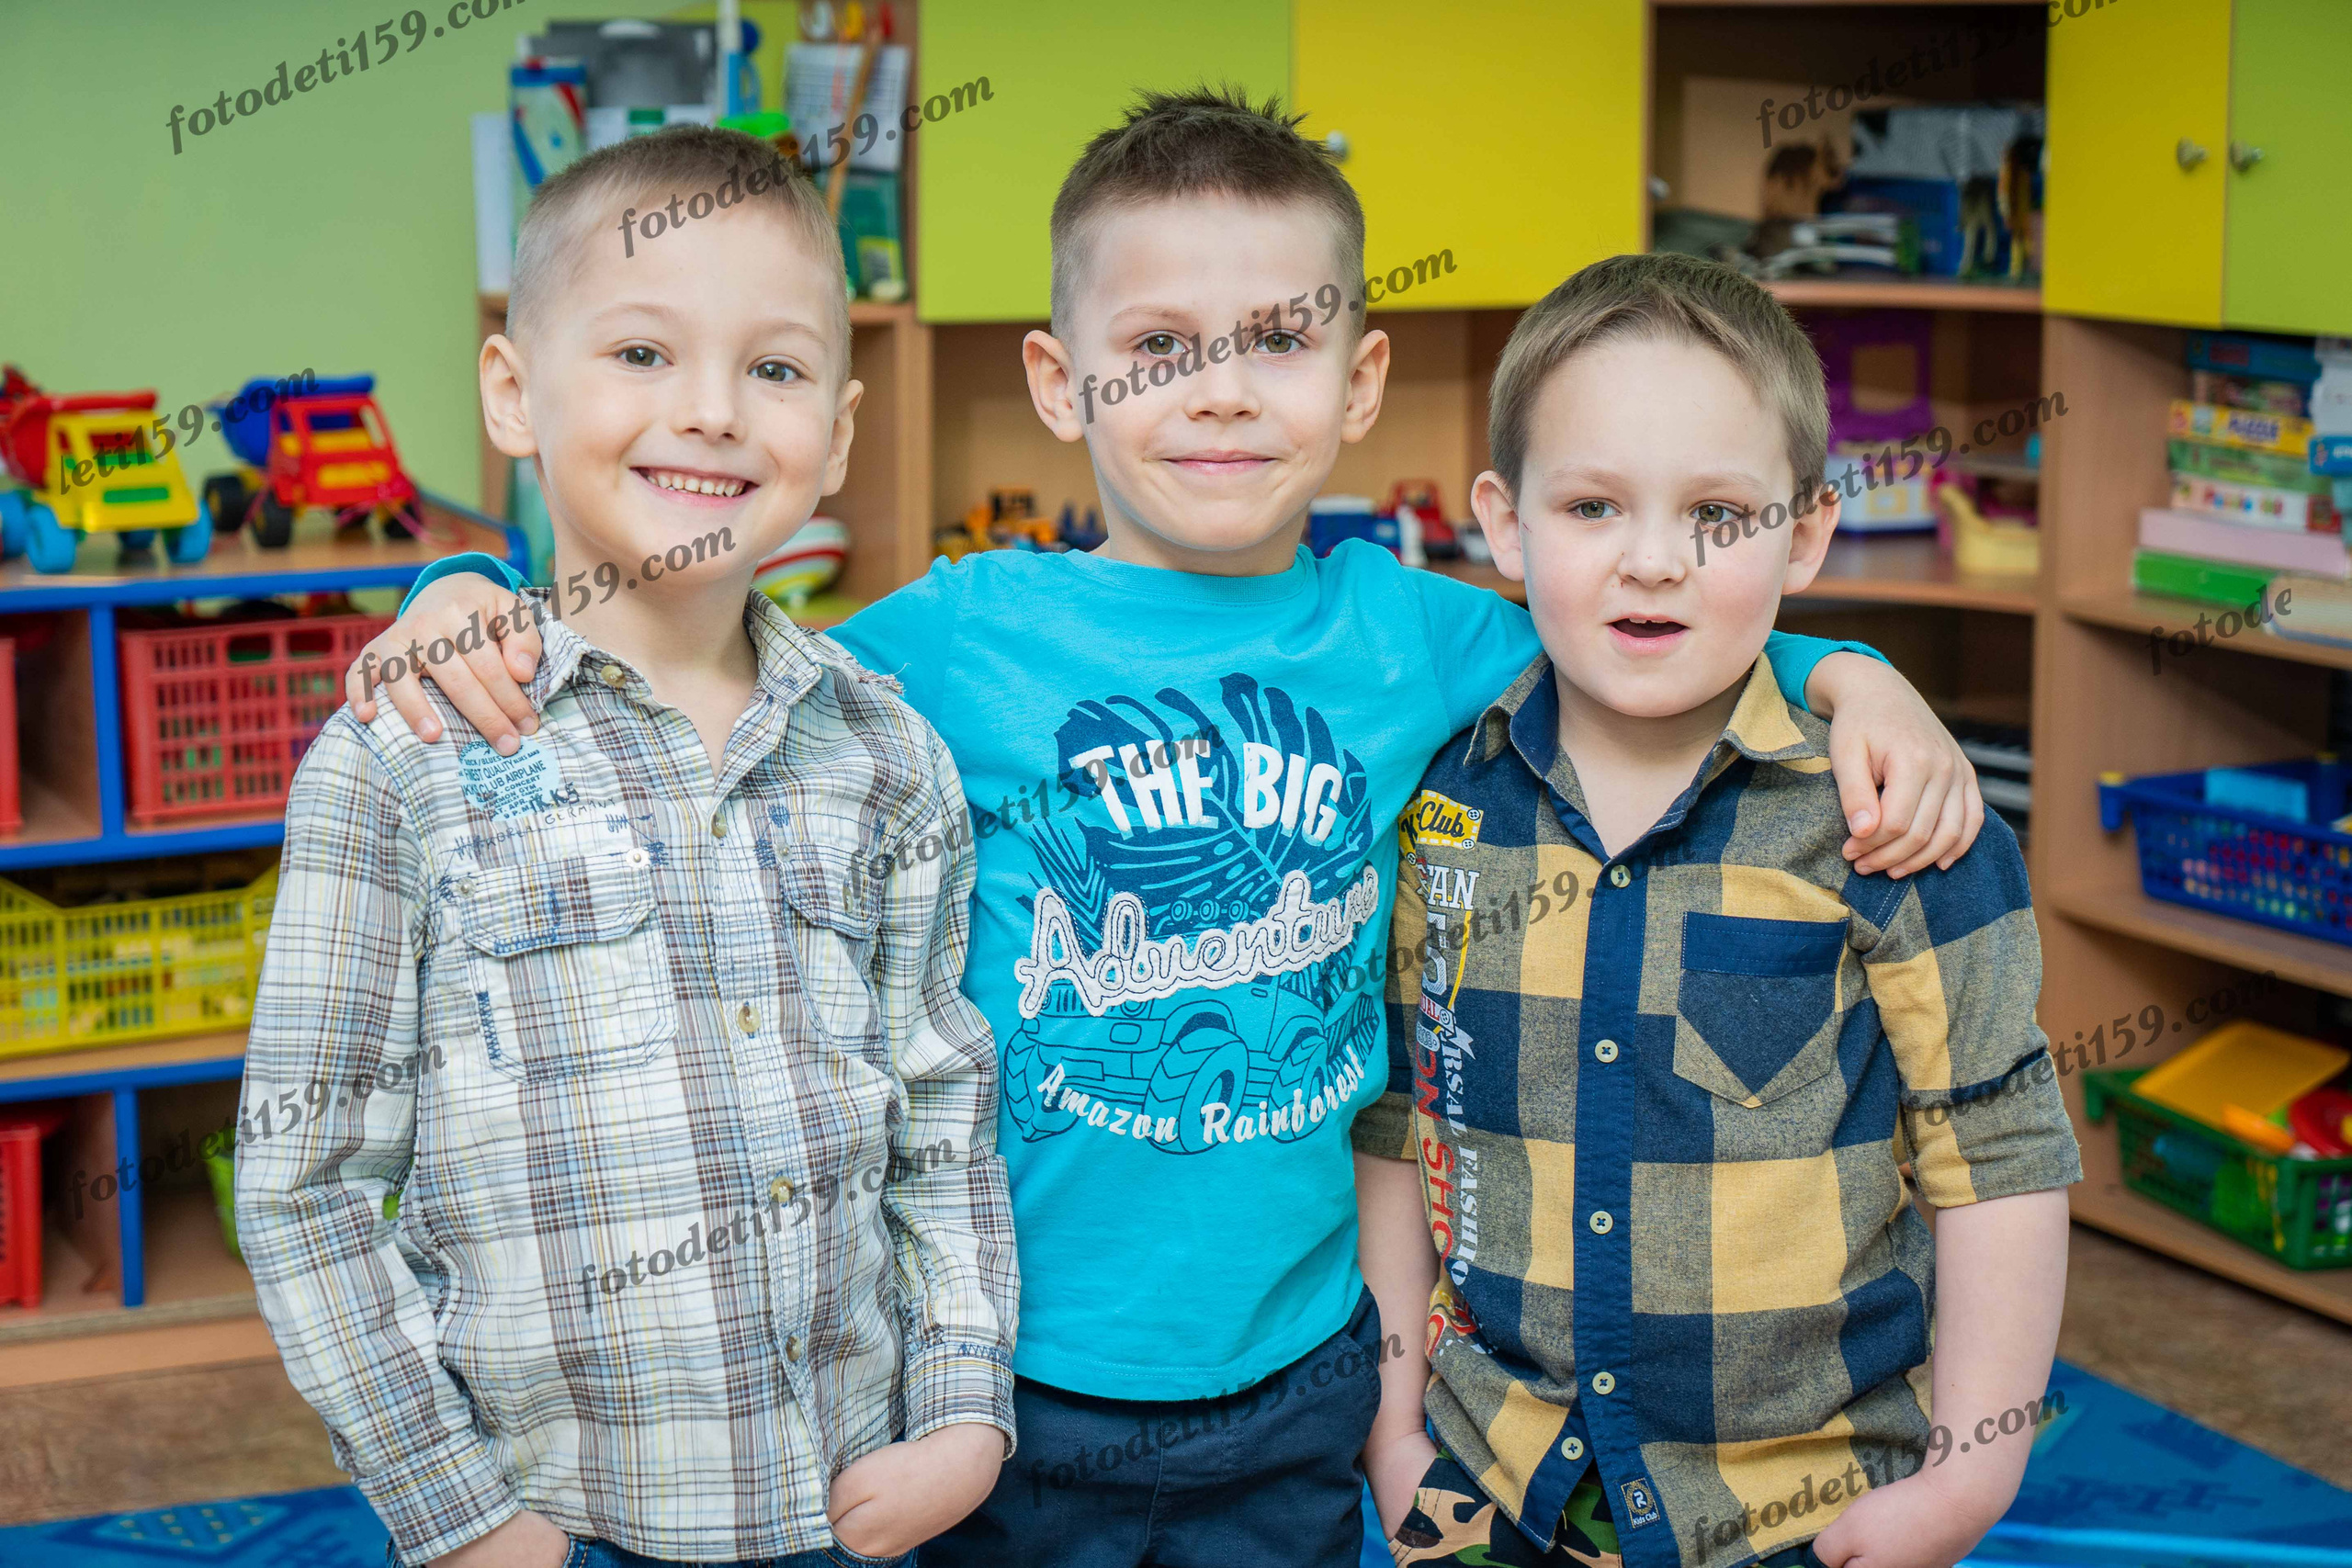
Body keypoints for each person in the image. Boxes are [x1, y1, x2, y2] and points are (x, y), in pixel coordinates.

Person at [347, 92, 1986, 1568]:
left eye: (1276, 342)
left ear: (1356, 385)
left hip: (1296, 1379)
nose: (1220, 395)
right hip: (998, 1387)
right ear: (1060, 385)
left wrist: (1848, 670)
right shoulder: (950, 637)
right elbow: (692, 642)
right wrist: (468, 589)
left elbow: (1648, 620)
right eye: (1160, 347)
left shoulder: (1417, 634)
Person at [238, 127, 1015, 1568]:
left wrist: (964, 1414)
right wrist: (462, 1517)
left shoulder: (890, 756)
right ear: (513, 391)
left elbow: (944, 1115)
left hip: (852, 1502)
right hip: (559, 1524)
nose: (713, 412)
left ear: (837, 435)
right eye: (644, 355)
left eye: (773, 370)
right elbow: (306, 1179)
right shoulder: (406, 751)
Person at [1354, 253, 2078, 1568]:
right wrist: (1395, 1431)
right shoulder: (1435, 804)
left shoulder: (1892, 823)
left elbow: (2003, 1150)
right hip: (1488, 1476)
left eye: (1719, 517)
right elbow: (1400, 1123)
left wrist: (1970, 1478)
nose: (1653, 562)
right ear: (1503, 525)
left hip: (1801, 1505)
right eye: (1591, 506)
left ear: (1804, 535)